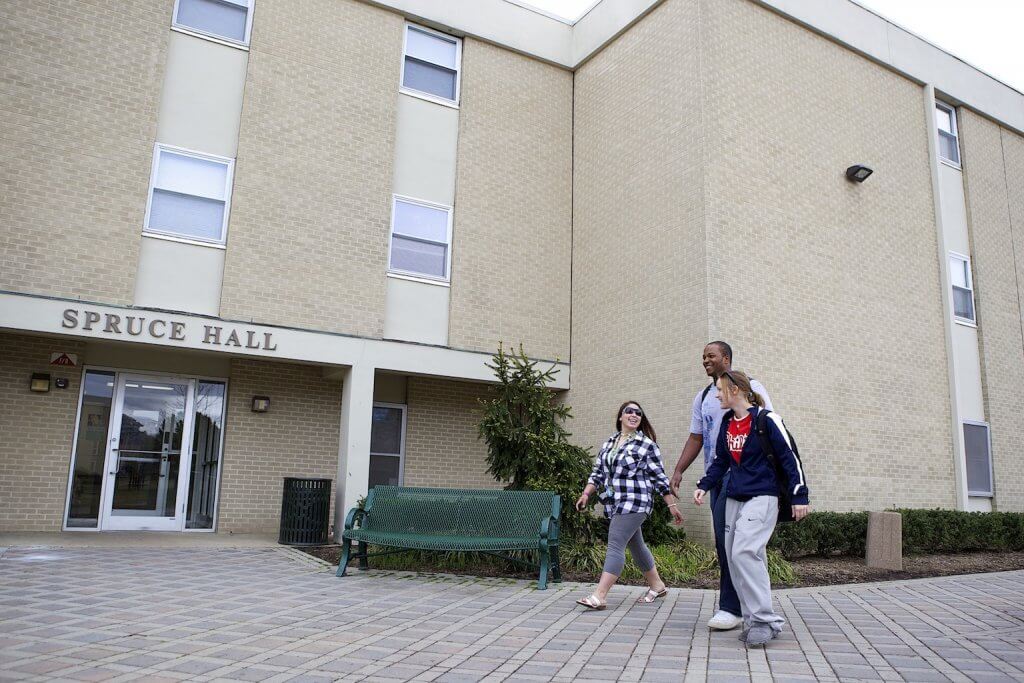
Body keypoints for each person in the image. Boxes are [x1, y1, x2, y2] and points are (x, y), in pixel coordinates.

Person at [693, 370, 809, 647]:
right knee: (735, 557)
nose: (717, 395)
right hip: (735, 495)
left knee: (744, 551)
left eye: (720, 390)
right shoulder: (727, 423)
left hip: (763, 495)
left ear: (735, 390)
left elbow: (789, 457)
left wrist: (799, 495)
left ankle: (764, 621)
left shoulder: (767, 420)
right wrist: (705, 484)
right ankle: (751, 617)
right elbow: (721, 460)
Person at [669, 341, 772, 631]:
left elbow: (769, 428)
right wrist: (679, 470)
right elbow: (696, 437)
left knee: (743, 545)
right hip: (718, 477)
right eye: (702, 356)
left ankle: (737, 606)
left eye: (710, 355)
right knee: (726, 543)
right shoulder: (703, 396)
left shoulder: (752, 387)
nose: (705, 360)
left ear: (726, 359)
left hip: (747, 477)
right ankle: (737, 606)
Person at [574, 401, 684, 610]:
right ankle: (657, 585)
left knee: (615, 543)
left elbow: (659, 478)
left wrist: (672, 506)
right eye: (629, 411)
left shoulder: (646, 445)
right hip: (615, 503)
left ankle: (600, 595)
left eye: (638, 413)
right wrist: (586, 494)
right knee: (636, 545)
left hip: (636, 501)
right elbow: (597, 473)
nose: (634, 415)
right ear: (620, 417)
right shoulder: (609, 443)